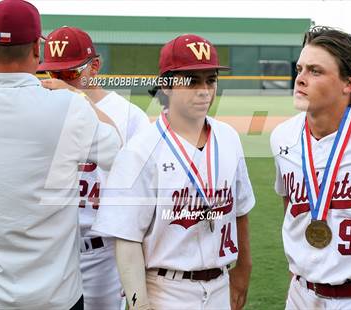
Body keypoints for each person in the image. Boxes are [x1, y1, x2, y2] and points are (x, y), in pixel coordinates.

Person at [0, 1, 121, 309]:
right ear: (38, 49)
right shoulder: (69, 107)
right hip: (56, 297)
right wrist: (75, 94)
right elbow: (117, 149)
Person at [91, 34, 255, 310]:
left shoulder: (228, 137)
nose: (204, 90)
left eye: (210, 80)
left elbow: (240, 210)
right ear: (166, 85)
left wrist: (243, 269)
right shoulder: (140, 150)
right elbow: (127, 238)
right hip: (166, 290)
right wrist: (139, 304)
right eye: (191, 81)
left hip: (219, 285)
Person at [270, 26, 351, 309]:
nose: (300, 79)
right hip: (301, 295)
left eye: (315, 71)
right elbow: (291, 204)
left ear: (349, 83)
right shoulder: (282, 136)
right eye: (299, 68)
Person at [38, 26, 150, 310]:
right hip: (52, 249)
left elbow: (140, 185)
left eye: (71, 73)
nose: (62, 81)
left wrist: (79, 99)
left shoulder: (129, 115)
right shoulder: (42, 108)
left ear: (95, 66)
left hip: (103, 254)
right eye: (54, 74)